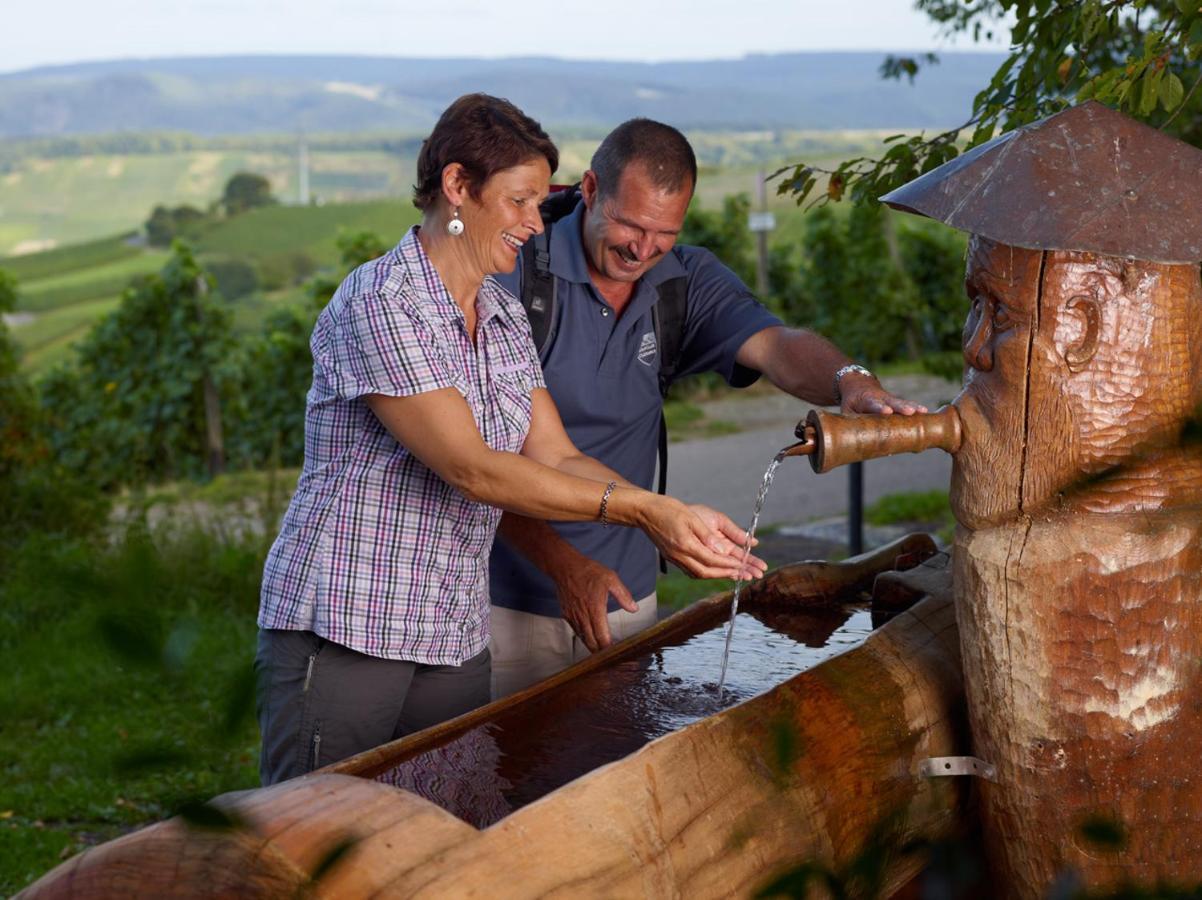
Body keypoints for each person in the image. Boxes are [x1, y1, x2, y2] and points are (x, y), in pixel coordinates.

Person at [254, 96, 764, 786]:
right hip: (351, 619)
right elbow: (473, 469)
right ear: (458, 187)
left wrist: (670, 514)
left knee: (451, 837)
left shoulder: (498, 310)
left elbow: (551, 453)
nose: (535, 222)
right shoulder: (383, 302)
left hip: (453, 630)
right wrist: (644, 512)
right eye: (521, 201)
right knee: (319, 850)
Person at [488, 118, 926, 698]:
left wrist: (852, 381)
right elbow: (475, 464)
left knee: (615, 767)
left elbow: (776, 344)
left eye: (664, 232)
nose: (642, 249)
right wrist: (564, 565)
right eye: (630, 224)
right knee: (502, 776)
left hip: (628, 594)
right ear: (591, 190)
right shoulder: (515, 272)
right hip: (503, 600)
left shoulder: (682, 281)